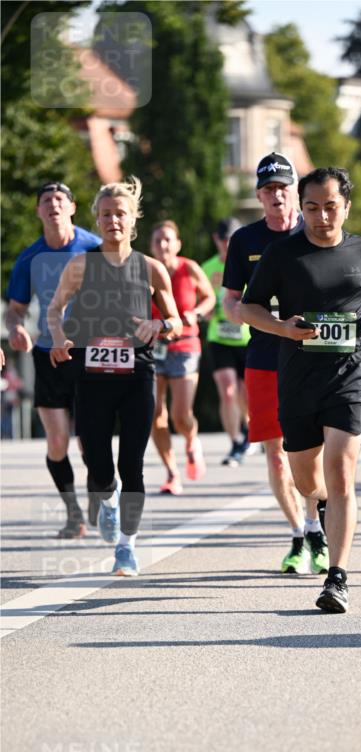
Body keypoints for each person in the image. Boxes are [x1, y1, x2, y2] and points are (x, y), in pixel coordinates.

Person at [240, 166, 361, 612]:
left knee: (340, 472)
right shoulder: (282, 254)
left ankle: (337, 577)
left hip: (351, 375)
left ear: (346, 207)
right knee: (307, 481)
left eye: (330, 207)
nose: (321, 216)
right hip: (298, 380)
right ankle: (319, 514)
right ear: (302, 207)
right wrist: (281, 327)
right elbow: (247, 308)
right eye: (312, 207)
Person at [48, 177, 182, 575]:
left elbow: (173, 318)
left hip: (137, 374)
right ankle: (107, 502)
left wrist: (160, 327)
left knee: (132, 464)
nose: (112, 221)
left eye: (120, 213)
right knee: (100, 469)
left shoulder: (152, 268)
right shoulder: (80, 265)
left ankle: (127, 546)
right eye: (105, 215)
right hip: (90, 376)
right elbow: (55, 310)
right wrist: (58, 338)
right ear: (98, 220)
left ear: (132, 219)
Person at [222, 153, 328, 576]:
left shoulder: (317, 233)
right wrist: (240, 313)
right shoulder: (245, 240)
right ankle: (302, 533)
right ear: (259, 196)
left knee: (313, 451)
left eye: (283, 188)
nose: (276, 195)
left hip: (314, 357)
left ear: (296, 192)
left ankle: (317, 521)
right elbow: (231, 300)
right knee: (276, 453)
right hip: (265, 357)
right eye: (268, 189)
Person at [4, 181, 101, 537]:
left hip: (91, 353)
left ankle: (99, 493)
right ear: (38, 211)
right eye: (46, 200)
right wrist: (16, 329)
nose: (53, 205)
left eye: (60, 199)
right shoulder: (29, 257)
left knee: (90, 439)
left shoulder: (94, 247)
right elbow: (14, 310)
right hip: (48, 356)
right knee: (58, 442)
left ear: (73, 208)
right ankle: (73, 514)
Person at [149, 220, 215, 494]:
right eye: (157, 241)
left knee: (180, 414)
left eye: (168, 240)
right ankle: (171, 473)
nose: (163, 245)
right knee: (154, 413)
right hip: (152, 347)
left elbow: (210, 297)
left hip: (185, 345)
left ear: (177, 244)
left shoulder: (189, 268)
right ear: (151, 246)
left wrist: (195, 314)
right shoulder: (146, 271)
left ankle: (191, 440)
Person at [201, 218, 251, 467]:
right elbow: (199, 299)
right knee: (228, 390)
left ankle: (252, 431)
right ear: (216, 240)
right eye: (222, 239)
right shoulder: (207, 268)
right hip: (219, 337)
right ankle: (236, 441)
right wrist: (205, 311)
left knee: (246, 393)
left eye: (231, 239)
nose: (226, 244)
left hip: (247, 337)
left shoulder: (248, 264)